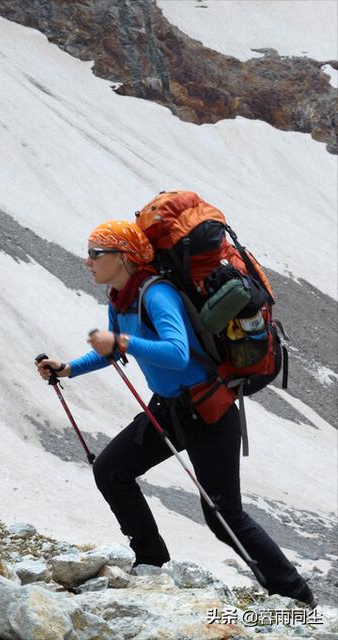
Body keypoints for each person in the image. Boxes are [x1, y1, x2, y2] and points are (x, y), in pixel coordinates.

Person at [35, 219, 316, 605]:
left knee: (222, 514)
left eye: (95, 254)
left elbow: (177, 351)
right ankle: (152, 561)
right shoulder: (120, 297)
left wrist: (122, 339)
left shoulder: (156, 294)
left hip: (208, 410)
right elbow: (114, 351)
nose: (88, 262)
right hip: (169, 408)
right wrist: (68, 368)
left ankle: (296, 596)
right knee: (111, 470)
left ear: (122, 257)